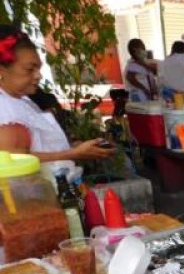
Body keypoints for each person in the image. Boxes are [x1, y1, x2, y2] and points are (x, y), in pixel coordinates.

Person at [0, 26, 114, 178]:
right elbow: (17, 161)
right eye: (30, 69)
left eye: (38, 68)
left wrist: (73, 148)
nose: (38, 76)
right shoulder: (5, 109)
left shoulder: (21, 101)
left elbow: (38, 147)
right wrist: (72, 153)